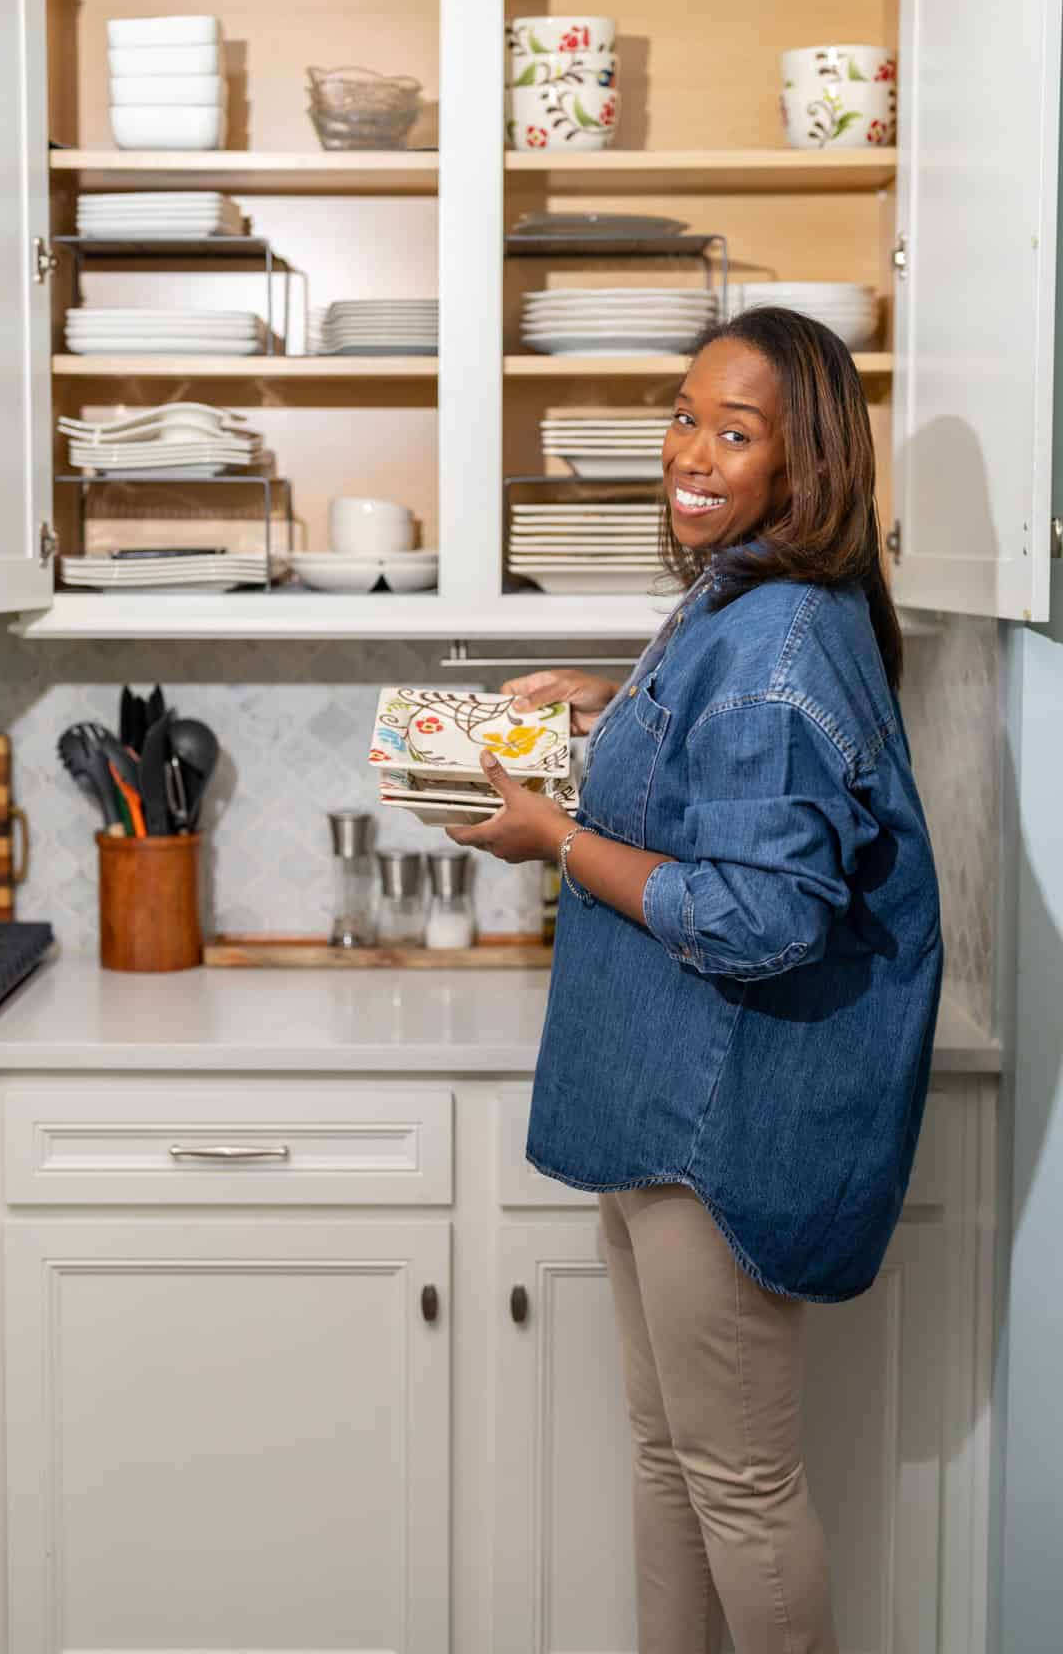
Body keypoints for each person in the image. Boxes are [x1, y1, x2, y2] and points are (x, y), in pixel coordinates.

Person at [447, 307, 943, 1654]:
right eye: (684, 415)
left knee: (735, 1479)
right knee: (674, 1457)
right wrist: (611, 704)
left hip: (714, 1126)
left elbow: (761, 918)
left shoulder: (775, 645)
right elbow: (732, 775)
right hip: (670, 1099)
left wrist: (553, 834)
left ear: (808, 461)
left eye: (739, 431)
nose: (696, 451)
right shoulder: (753, 595)